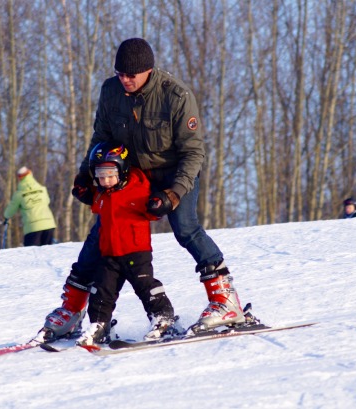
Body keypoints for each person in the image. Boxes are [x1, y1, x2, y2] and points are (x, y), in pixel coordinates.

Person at [34, 38, 253, 343]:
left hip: (176, 173)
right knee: (102, 235)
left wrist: (174, 193)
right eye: (120, 73)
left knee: (186, 228)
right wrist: (86, 175)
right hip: (134, 177)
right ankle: (71, 310)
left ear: (148, 71)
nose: (125, 79)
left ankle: (226, 301)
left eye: (131, 75)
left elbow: (193, 152)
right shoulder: (111, 91)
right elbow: (101, 136)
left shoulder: (175, 95)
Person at [75, 142, 176, 346]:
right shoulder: (102, 193)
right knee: (101, 292)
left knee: (145, 286)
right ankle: (99, 325)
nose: (105, 180)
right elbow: (94, 202)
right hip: (109, 254)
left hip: (136, 252)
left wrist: (157, 204)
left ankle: (163, 319)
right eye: (100, 175)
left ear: (122, 170)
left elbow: (152, 212)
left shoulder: (138, 188)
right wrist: (83, 191)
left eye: (110, 174)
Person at [3, 166, 57, 246]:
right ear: (30, 175)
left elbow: (10, 210)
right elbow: (47, 201)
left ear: (20, 178)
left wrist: (6, 217)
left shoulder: (19, 193)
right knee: (47, 254)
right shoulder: (42, 189)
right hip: (49, 224)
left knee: (31, 255)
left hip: (32, 227)